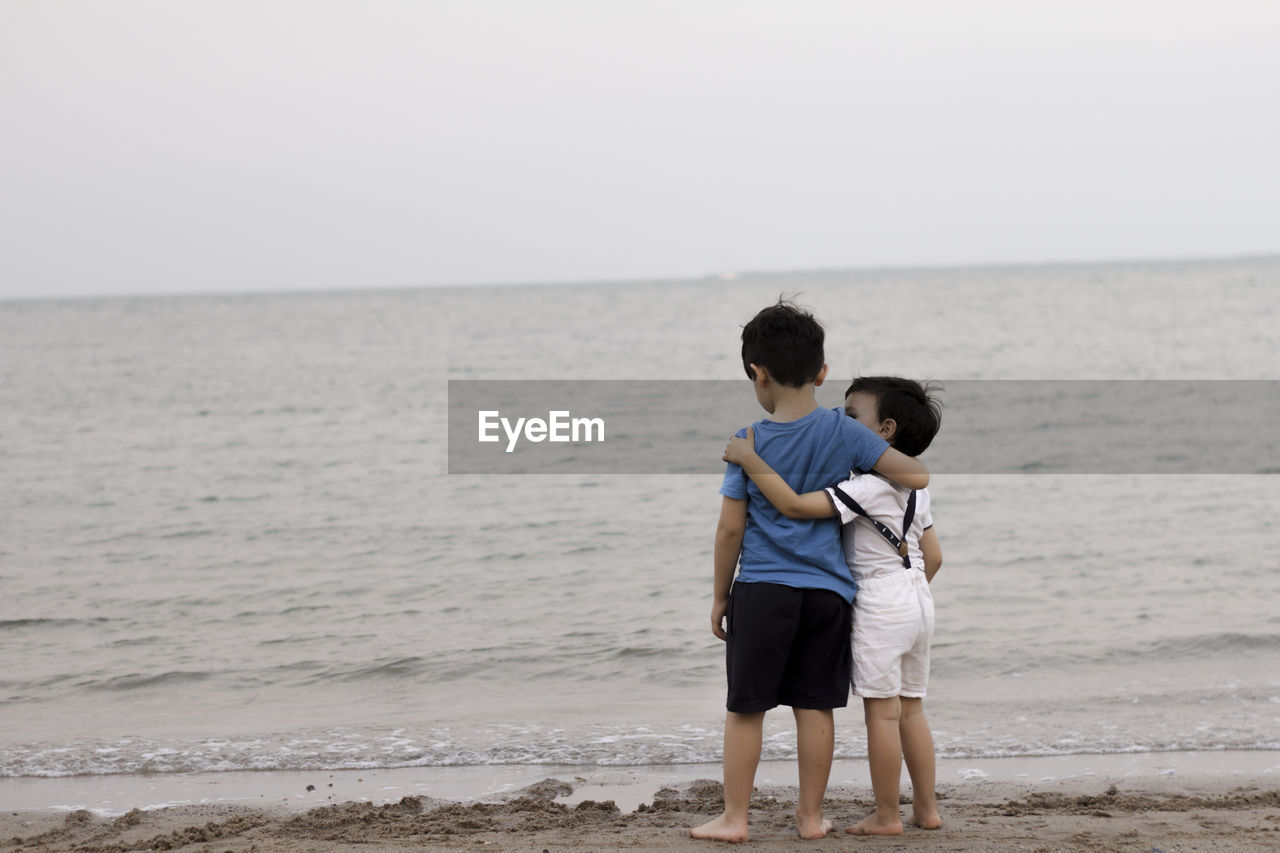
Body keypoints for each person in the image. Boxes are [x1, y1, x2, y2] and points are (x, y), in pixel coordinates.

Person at [690, 303, 930, 844]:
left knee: (746, 709)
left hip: (763, 589)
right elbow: (915, 474)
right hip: (829, 595)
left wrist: (719, 595)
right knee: (814, 707)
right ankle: (810, 818)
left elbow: (730, 530)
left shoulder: (746, 439)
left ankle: (734, 819)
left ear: (758, 373)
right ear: (822, 373)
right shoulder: (846, 434)